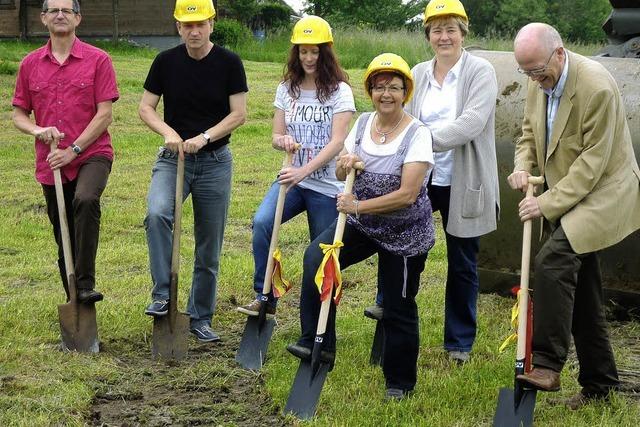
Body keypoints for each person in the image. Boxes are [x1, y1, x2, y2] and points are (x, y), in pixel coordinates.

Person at [287, 53, 435, 399]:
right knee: (318, 260)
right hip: (364, 225)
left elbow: (408, 194)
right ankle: (318, 343)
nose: (387, 94)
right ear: (370, 90)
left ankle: (399, 383)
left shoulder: (418, 134)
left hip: (404, 235)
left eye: (394, 87)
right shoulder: (364, 122)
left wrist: (357, 205)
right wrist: (346, 163)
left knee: (398, 303)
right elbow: (342, 173)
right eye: (380, 86)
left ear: (405, 92)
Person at [508, 23, 640, 409]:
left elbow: (591, 166)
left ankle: (547, 362)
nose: (534, 79)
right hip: (571, 190)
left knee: (551, 263)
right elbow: (528, 135)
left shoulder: (596, 87)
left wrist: (545, 204)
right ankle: (600, 385)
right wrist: (521, 166)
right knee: (583, 292)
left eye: (538, 70)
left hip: (604, 192)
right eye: (527, 72)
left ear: (560, 53)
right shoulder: (539, 79)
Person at [139, 0, 247, 343]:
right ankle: (162, 294)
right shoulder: (165, 62)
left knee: (208, 244)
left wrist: (205, 137)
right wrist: (168, 132)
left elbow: (238, 114)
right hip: (174, 161)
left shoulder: (229, 63)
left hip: (214, 162)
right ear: (178, 27)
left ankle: (200, 317)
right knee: (157, 213)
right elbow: (145, 108)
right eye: (187, 25)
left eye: (200, 23)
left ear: (212, 23)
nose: (194, 31)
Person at [399, 0, 499, 364]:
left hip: (463, 179)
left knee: (462, 264)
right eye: (436, 30)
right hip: (423, 179)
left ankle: (459, 343)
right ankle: (396, 323)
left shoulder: (481, 72)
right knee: (409, 255)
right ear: (428, 35)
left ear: (463, 33)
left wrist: (420, 140)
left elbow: (472, 122)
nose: (444, 37)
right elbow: (405, 120)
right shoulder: (419, 72)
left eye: (451, 29)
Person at [236, 16, 354, 317]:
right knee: (262, 223)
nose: (309, 57)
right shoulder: (286, 88)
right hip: (292, 179)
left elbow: (338, 142)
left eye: (315, 51)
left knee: (320, 254)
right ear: (296, 52)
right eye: (303, 51)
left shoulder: (340, 90)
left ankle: (319, 318)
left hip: (327, 186)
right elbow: (275, 136)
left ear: (325, 51)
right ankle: (265, 295)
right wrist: (284, 141)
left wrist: (305, 170)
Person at [12, 0, 119, 304]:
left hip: (91, 153)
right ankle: (74, 300)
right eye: (54, 11)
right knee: (64, 230)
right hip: (52, 161)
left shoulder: (99, 60)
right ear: (43, 18)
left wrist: (73, 149)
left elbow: (104, 115)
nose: (60, 15)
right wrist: (37, 130)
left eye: (67, 10)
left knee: (84, 200)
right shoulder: (29, 64)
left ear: (78, 18)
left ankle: (85, 285)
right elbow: (19, 114)